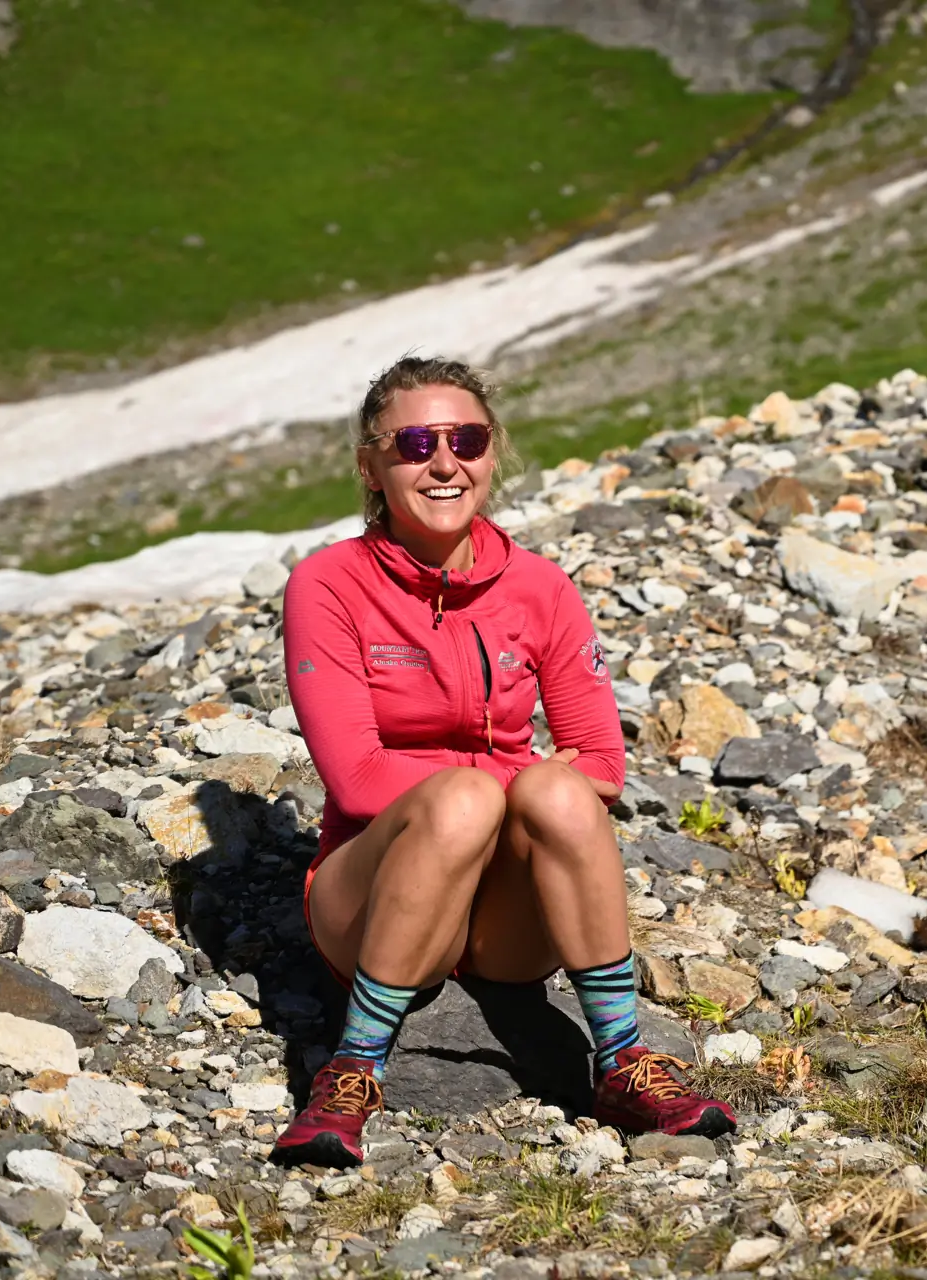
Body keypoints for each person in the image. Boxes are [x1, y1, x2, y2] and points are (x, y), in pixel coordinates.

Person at [270, 355, 735, 1168]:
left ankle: (623, 1063)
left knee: (559, 793)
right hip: (371, 896)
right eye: (414, 442)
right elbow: (357, 780)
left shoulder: (542, 587)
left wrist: (530, 786)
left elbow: (602, 763)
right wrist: (492, 788)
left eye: (467, 439)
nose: (443, 462)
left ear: (492, 453)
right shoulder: (328, 585)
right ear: (370, 466)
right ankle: (351, 1073)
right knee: (466, 800)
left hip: (508, 922)